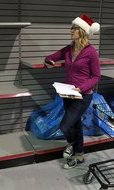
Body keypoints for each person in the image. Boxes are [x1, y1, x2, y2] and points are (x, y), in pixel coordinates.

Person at [44, 14, 101, 169]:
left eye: (74, 28)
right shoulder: (69, 50)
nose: (71, 30)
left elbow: (96, 76)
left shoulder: (91, 52)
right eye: (72, 28)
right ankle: (79, 156)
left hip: (83, 96)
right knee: (76, 126)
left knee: (65, 126)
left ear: (82, 31)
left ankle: (71, 144)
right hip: (68, 94)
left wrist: (82, 88)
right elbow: (51, 56)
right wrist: (49, 61)